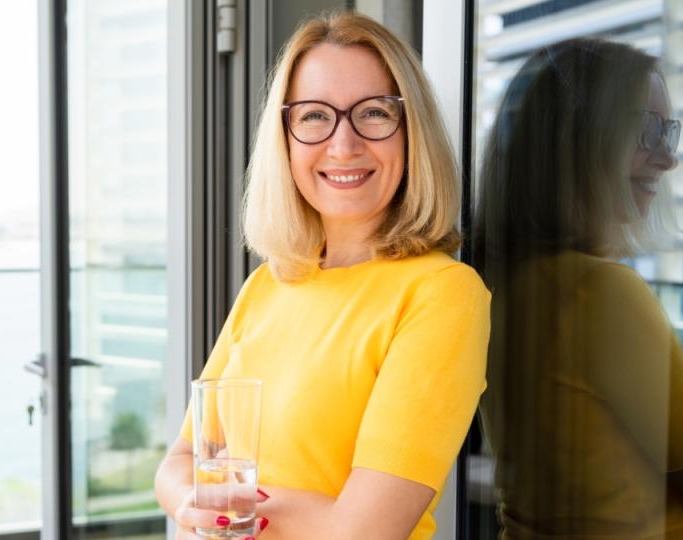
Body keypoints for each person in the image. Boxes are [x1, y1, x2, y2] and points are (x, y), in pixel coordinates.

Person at [154, 10, 491, 540]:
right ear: (284, 138)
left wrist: (231, 503)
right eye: (314, 116)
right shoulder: (269, 283)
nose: (343, 145)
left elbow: (365, 531)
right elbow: (177, 463)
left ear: (413, 132)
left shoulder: (442, 294)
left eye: (375, 113)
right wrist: (201, 505)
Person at [473, 38, 683, 539]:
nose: (667, 160)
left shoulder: (496, 283)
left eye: (667, 133)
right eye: (643, 131)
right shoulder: (601, 291)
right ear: (574, 140)